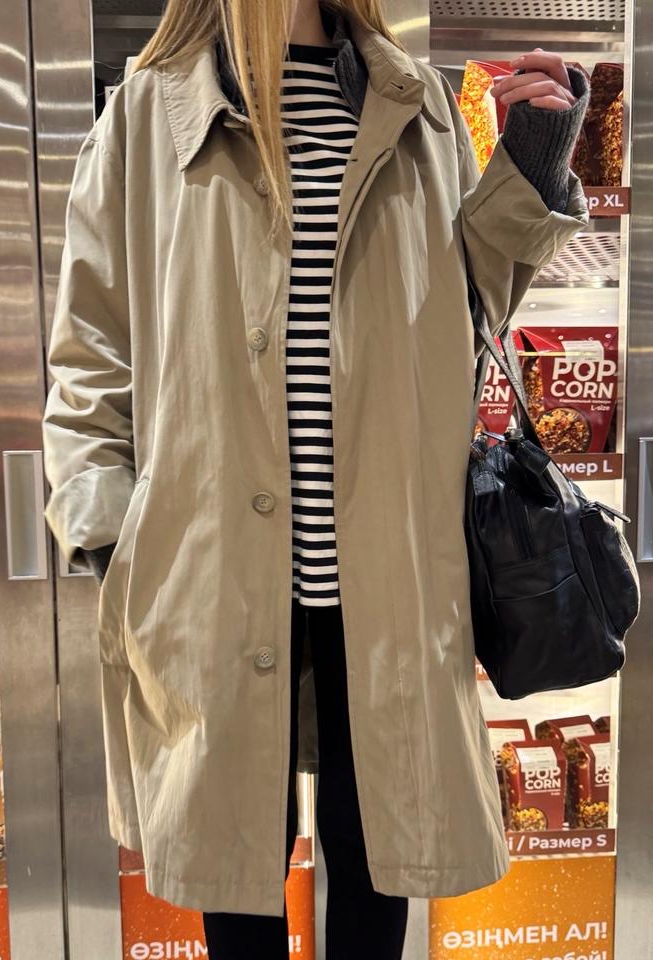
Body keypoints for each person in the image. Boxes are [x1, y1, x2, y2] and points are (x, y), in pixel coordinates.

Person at [41, 1, 590, 957]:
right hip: (209, 571)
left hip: (387, 573)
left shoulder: (413, 103)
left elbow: (465, 316)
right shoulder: (148, 113)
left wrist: (532, 163)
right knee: (237, 868)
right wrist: (111, 538)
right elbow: (91, 353)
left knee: (379, 856)